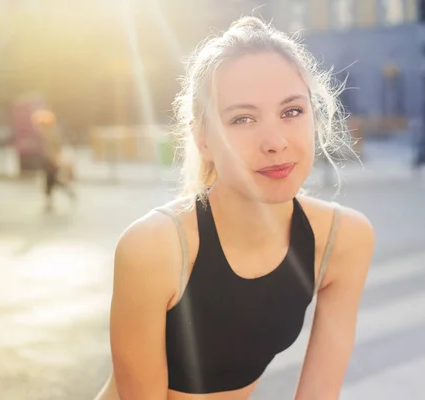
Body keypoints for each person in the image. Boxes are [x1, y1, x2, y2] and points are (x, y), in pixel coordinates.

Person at [95, 16, 374, 400]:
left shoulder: (344, 238)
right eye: (242, 119)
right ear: (204, 139)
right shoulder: (154, 247)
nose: (275, 141)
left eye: (292, 111)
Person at [31, 109, 76, 212]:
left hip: (51, 161)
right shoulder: (48, 133)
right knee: (52, 181)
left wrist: (54, 160)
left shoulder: (51, 134)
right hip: (49, 160)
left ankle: (52, 201)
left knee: (50, 181)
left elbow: (55, 148)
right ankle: (64, 194)